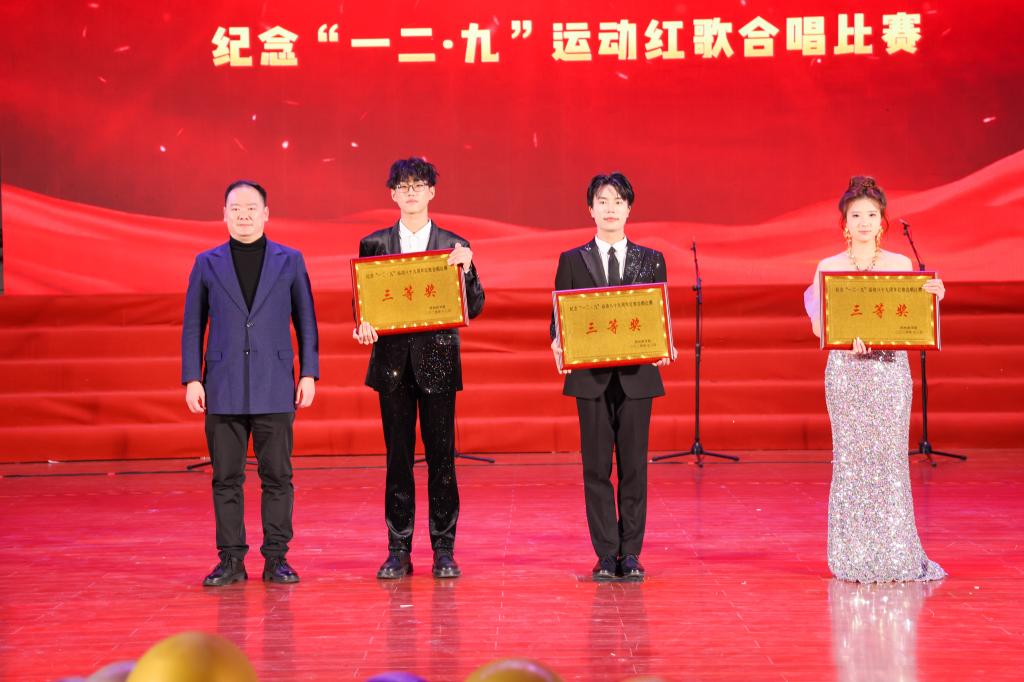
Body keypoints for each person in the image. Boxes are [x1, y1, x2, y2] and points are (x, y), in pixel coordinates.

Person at [805, 175, 946, 582]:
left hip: (889, 374)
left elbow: (911, 320)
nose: (864, 222)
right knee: (851, 463)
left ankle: (895, 553)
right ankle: (851, 555)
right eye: (856, 216)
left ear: (882, 221)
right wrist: (844, 339)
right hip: (847, 374)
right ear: (844, 223)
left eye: (871, 215)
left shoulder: (900, 266)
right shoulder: (828, 267)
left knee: (888, 462)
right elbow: (819, 327)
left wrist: (932, 297)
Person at [182, 180, 319, 586]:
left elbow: (305, 320)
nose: (243, 215)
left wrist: (308, 372)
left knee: (277, 476)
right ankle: (230, 560)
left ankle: (277, 558)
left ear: (266, 214)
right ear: (224, 214)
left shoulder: (289, 260)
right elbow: (193, 325)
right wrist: (192, 378)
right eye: (235, 209)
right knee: (226, 477)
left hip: (274, 383)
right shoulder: (206, 262)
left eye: (251, 208)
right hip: (222, 384)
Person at [353, 157, 485, 579]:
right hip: (392, 364)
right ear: (393, 194)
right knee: (398, 460)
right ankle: (398, 549)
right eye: (403, 186)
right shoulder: (374, 244)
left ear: (432, 192)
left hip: (438, 363)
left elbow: (474, 306)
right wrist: (363, 325)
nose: (411, 193)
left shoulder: (454, 244)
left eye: (419, 185)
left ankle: (444, 549)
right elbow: (364, 304)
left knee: (442, 460)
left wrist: (469, 268)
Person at [549, 172, 675, 581]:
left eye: (618, 201)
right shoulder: (571, 260)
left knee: (635, 468)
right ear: (590, 209)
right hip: (590, 378)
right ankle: (606, 553)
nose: (610, 209)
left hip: (638, 378)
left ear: (629, 208)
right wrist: (558, 343)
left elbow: (658, 314)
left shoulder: (652, 259)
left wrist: (665, 343)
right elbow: (559, 319)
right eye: (602, 201)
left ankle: (631, 553)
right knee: (596, 468)